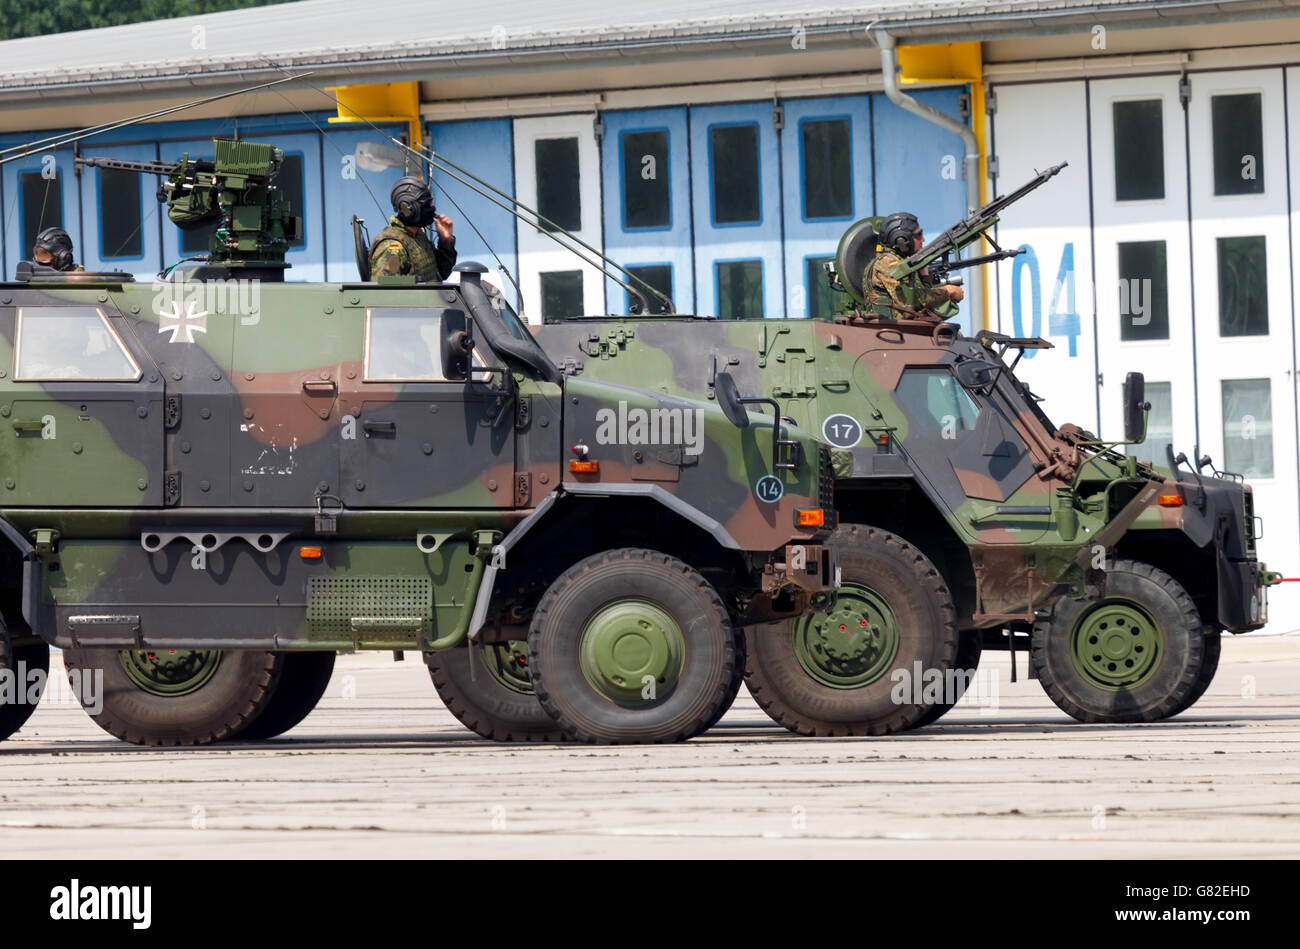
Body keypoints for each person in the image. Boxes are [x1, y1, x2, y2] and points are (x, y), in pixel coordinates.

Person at [864, 212, 963, 319]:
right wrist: (947, 291)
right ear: (901, 240)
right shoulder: (888, 263)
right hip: (892, 331)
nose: (923, 240)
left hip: (904, 329)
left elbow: (923, 304)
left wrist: (925, 277)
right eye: (919, 235)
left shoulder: (901, 262)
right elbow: (912, 300)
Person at [368, 176, 456, 281]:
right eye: (427, 203)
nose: (432, 206)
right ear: (408, 208)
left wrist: (445, 241)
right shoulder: (393, 248)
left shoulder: (418, 236)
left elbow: (442, 272)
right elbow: (384, 290)